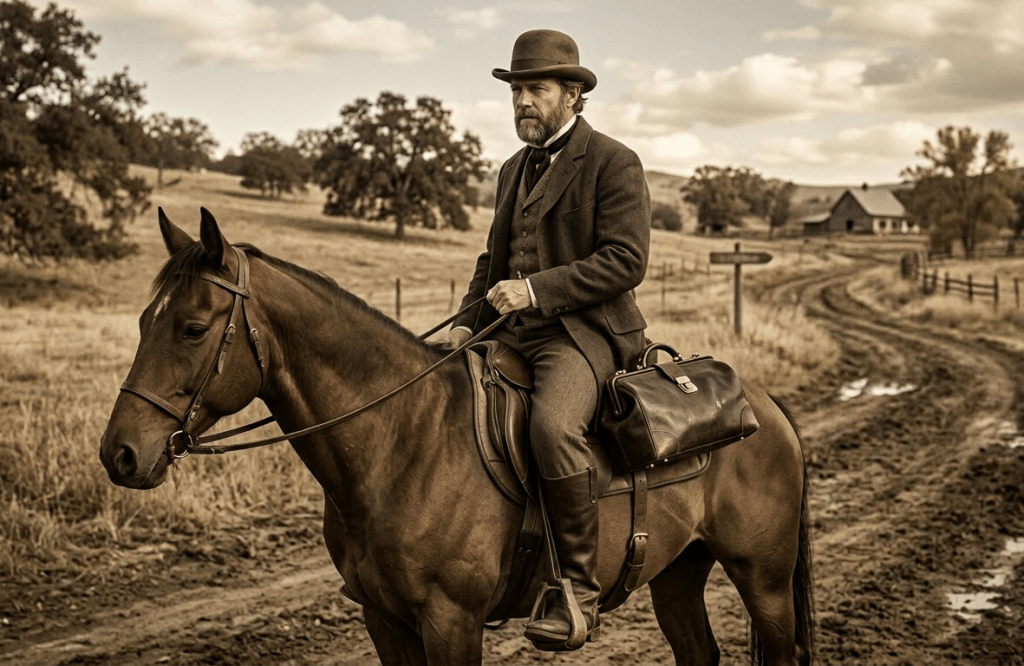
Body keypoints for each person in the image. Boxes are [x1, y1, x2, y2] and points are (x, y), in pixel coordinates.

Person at [450, 28, 651, 652]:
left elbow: (626, 259)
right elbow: (494, 259)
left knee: (550, 427)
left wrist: (535, 290)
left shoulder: (615, 161)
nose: (521, 102)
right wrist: (464, 319)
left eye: (535, 89)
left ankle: (577, 588)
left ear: (572, 94)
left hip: (581, 336)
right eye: (515, 90)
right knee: (444, 406)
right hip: (506, 331)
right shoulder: (512, 168)